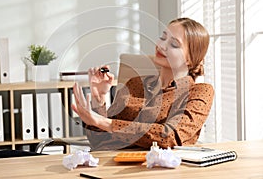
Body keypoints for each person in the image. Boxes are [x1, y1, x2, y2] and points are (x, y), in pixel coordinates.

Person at [71, 17, 214, 151]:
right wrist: (99, 98)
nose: (161, 45)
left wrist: (105, 123)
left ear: (190, 58)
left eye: (174, 44)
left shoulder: (199, 92)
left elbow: (171, 136)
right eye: (163, 37)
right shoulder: (135, 84)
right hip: (108, 161)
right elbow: (99, 141)